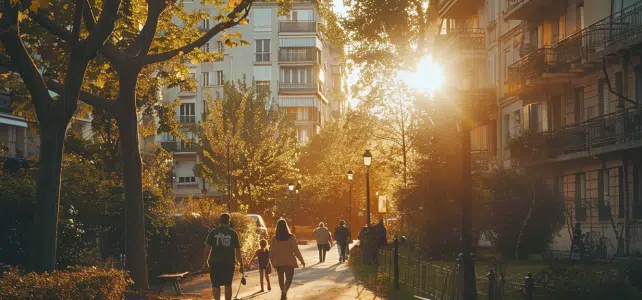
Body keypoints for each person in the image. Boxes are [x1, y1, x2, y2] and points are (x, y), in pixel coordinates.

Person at [203, 213, 244, 300]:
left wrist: (205, 261)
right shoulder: (233, 234)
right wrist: (241, 264)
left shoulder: (213, 232)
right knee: (228, 285)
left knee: (215, 285)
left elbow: (207, 248)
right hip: (228, 263)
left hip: (215, 263)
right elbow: (237, 251)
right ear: (229, 221)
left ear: (220, 221)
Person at [270, 218, 305, 300]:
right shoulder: (291, 237)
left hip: (279, 262)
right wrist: (301, 260)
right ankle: (285, 291)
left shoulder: (274, 238)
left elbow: (271, 252)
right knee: (289, 279)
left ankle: (283, 291)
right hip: (290, 262)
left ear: (277, 227)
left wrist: (272, 263)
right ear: (286, 226)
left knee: (281, 279)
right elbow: (296, 250)